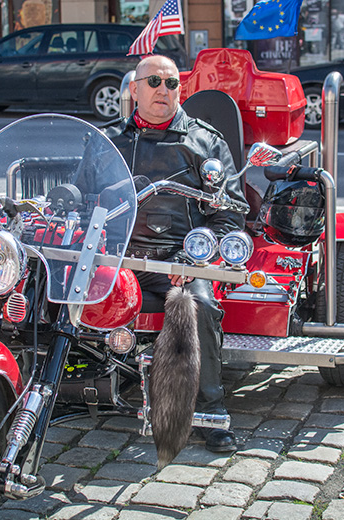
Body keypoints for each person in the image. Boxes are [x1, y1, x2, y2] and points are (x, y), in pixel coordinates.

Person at [105, 55, 245, 453]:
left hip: (178, 261)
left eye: (171, 84)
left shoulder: (205, 141)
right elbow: (84, 199)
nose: (163, 90)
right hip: (118, 258)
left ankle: (211, 413)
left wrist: (194, 258)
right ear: (134, 90)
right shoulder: (110, 140)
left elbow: (231, 214)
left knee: (196, 305)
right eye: (154, 83)